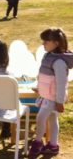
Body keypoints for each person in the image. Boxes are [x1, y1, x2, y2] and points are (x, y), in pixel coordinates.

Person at [29, 28, 73, 157]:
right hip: (46, 95)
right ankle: (53, 145)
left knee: (40, 118)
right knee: (52, 119)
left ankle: (37, 142)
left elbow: (61, 83)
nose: (43, 44)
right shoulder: (48, 56)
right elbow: (44, 76)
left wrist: (59, 102)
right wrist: (39, 88)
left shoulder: (59, 62)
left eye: (46, 41)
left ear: (56, 43)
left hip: (53, 98)